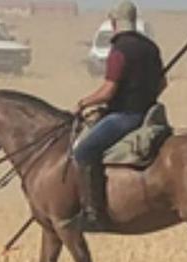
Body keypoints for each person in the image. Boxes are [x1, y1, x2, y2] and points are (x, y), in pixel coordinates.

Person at [73, 0, 166, 230]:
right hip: (150, 114)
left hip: (126, 116)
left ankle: (93, 213)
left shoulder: (119, 50)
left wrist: (83, 103)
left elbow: (108, 90)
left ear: (114, 23)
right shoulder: (151, 47)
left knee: (83, 151)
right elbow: (163, 83)